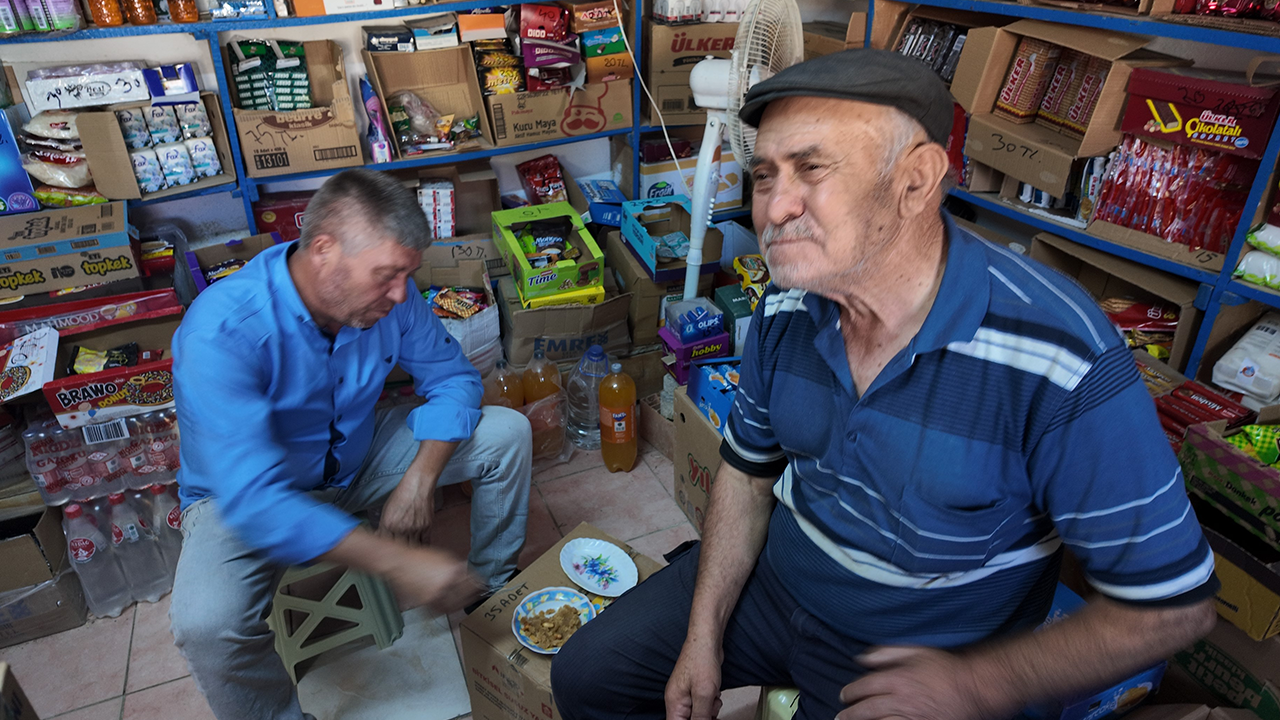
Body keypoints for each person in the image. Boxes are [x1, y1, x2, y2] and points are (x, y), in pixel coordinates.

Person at [551, 49, 1218, 720]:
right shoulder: (787, 305)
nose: (774, 207)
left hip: (918, 655)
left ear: (916, 181)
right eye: (764, 175)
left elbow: (1172, 608)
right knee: (589, 675)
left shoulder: (1057, 354)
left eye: (813, 168)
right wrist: (703, 634)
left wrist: (977, 685)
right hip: (779, 585)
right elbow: (748, 477)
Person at [169, 168, 532, 720]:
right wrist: (398, 563)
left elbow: (454, 378)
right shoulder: (221, 333)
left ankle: (491, 593)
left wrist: (420, 480)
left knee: (506, 434)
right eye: (386, 275)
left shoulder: (393, 297)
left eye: (407, 275)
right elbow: (256, 499)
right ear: (324, 250)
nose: (401, 293)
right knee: (206, 623)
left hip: (354, 461)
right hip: (245, 495)